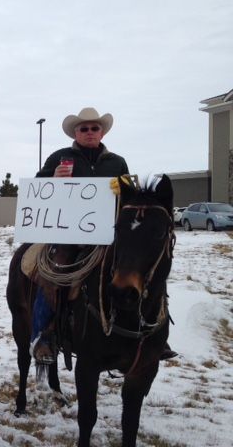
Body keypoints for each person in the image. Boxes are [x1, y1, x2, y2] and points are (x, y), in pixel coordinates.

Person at [30, 107, 176, 363]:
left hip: (108, 233)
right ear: (75, 132)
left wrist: (123, 187)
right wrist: (52, 178)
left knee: (143, 269)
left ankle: (151, 332)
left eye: (94, 128)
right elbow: (37, 189)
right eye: (83, 128)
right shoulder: (59, 157)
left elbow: (130, 199)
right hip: (68, 234)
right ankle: (44, 332)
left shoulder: (117, 162)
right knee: (54, 272)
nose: (89, 132)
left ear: (101, 132)